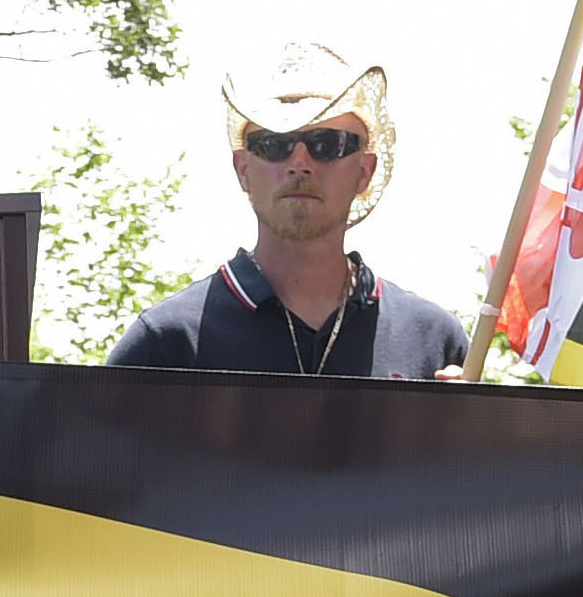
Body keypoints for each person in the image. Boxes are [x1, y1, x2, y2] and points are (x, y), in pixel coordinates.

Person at [106, 43, 466, 378]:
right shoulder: (165, 343)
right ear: (242, 169)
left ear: (364, 171)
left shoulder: (435, 341)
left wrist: (471, 430)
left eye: (327, 143)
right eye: (274, 143)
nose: (299, 163)